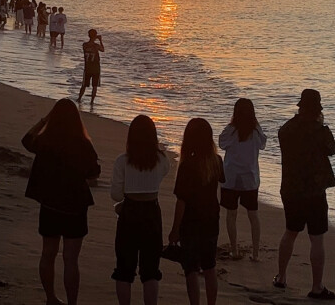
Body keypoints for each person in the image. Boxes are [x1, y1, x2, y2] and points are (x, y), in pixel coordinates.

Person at [22, 98, 100, 305]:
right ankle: (72, 302)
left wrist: (43, 120)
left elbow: (26, 139)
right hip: (75, 208)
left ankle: (51, 298)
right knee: (70, 259)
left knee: (48, 254)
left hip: (50, 206)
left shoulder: (45, 141)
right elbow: (94, 172)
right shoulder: (83, 144)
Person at [274, 89, 335, 300]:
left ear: (300, 107)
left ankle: (281, 277)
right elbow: (332, 149)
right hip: (314, 191)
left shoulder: (287, 129)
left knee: (290, 232)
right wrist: (320, 125)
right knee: (316, 239)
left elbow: (282, 135)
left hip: (291, 189)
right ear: (317, 109)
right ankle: (317, 286)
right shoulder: (319, 131)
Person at [111, 114, 170, 305]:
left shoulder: (122, 161)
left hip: (129, 212)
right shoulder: (161, 160)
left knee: (124, 269)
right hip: (152, 212)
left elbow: (116, 195)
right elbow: (163, 174)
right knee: (151, 270)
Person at [169, 118, 225, 305]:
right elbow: (221, 182)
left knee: (191, 269)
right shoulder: (216, 161)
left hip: (191, 222)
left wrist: (175, 229)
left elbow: (181, 201)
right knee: (210, 267)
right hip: (211, 219)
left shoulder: (187, 165)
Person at [219, 98, 267, 261]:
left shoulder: (231, 130)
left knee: (231, 215)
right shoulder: (255, 131)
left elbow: (221, 144)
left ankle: (234, 249)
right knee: (253, 216)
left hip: (231, 177)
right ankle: (255, 253)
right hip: (249, 178)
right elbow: (263, 144)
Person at [77, 29, 104, 104]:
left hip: (87, 68)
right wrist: (100, 40)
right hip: (96, 68)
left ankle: (79, 98)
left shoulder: (85, 45)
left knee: (84, 85)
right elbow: (103, 49)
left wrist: (94, 38)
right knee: (94, 86)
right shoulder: (96, 46)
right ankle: (92, 101)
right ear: (95, 36)